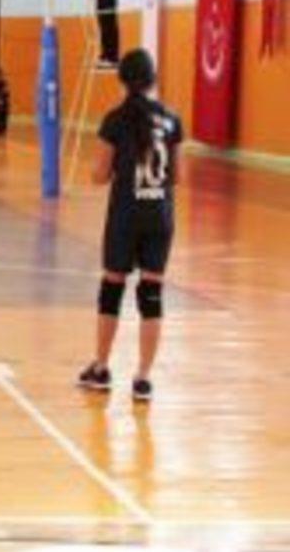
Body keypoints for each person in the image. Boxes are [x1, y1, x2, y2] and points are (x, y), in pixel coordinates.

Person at [78, 49, 182, 402]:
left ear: (122, 80)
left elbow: (99, 175)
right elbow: (177, 176)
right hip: (160, 216)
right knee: (151, 295)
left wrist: (109, 170)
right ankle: (143, 378)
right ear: (153, 79)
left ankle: (101, 368)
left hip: (126, 214)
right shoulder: (172, 120)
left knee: (112, 289)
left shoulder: (116, 119)